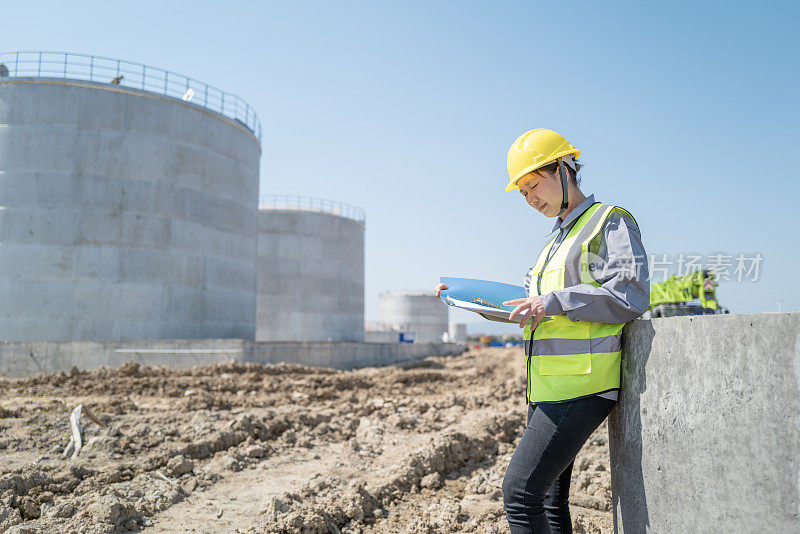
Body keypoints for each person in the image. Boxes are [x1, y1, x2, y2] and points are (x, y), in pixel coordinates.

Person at [435, 128, 649, 533]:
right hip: (546, 387)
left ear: (566, 168)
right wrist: (464, 296)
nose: (531, 198)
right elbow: (531, 305)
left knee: (519, 495)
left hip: (581, 387)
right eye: (522, 192)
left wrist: (552, 301)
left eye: (535, 185)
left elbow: (630, 294)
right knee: (549, 502)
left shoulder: (609, 221)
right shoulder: (554, 241)